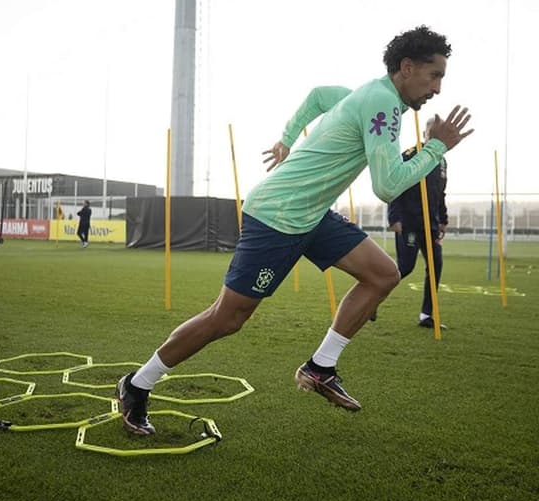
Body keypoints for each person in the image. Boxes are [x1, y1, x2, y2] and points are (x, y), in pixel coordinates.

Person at [116, 25, 474, 435]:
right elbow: (388, 184)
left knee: (383, 274)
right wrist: (436, 147)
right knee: (227, 318)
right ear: (407, 68)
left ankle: (320, 367)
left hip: (311, 215)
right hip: (276, 217)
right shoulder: (382, 102)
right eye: (435, 75)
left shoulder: (367, 94)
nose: (438, 89)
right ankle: (137, 384)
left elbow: (320, 95)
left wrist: (287, 139)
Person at [387, 141, 449, 329]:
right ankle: (371, 299)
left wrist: (443, 219)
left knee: (435, 264)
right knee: (405, 267)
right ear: (426, 133)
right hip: (409, 223)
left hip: (430, 225)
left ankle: (426, 314)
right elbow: (396, 185)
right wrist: (394, 218)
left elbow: (440, 193)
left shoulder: (442, 161)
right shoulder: (411, 154)